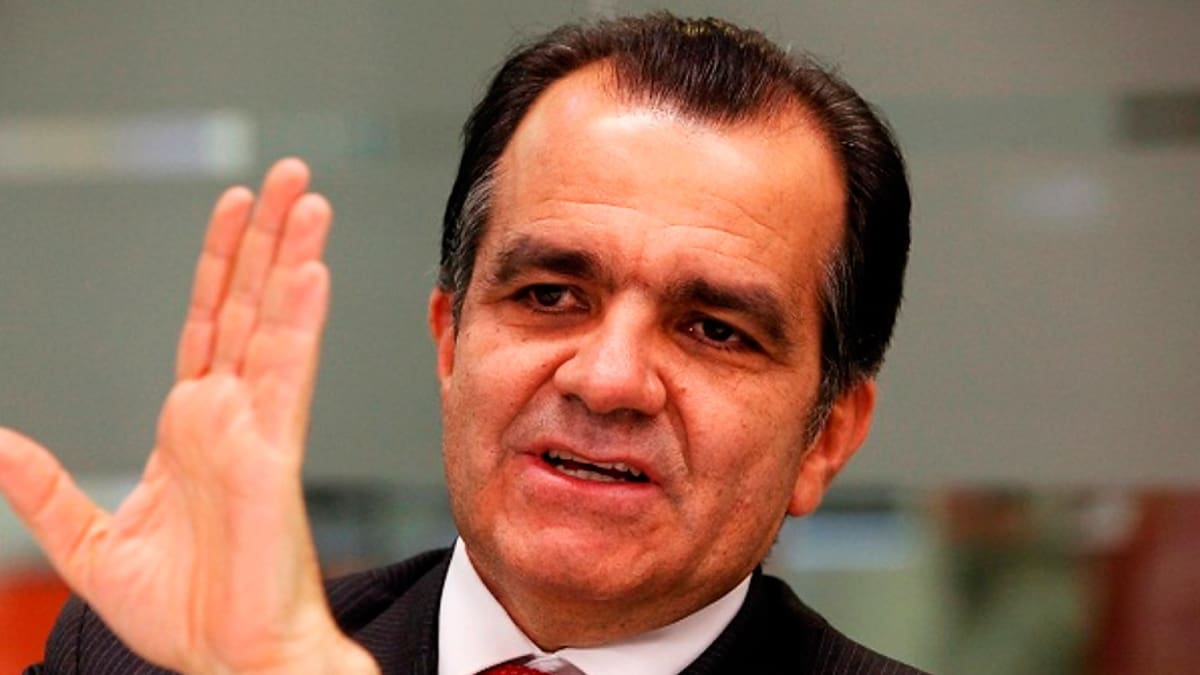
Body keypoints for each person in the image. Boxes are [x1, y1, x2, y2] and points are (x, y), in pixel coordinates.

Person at [0, 13, 919, 675]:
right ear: (450, 341)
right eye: (550, 295)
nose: (607, 379)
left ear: (828, 434)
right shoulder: (168, 659)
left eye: (714, 329)